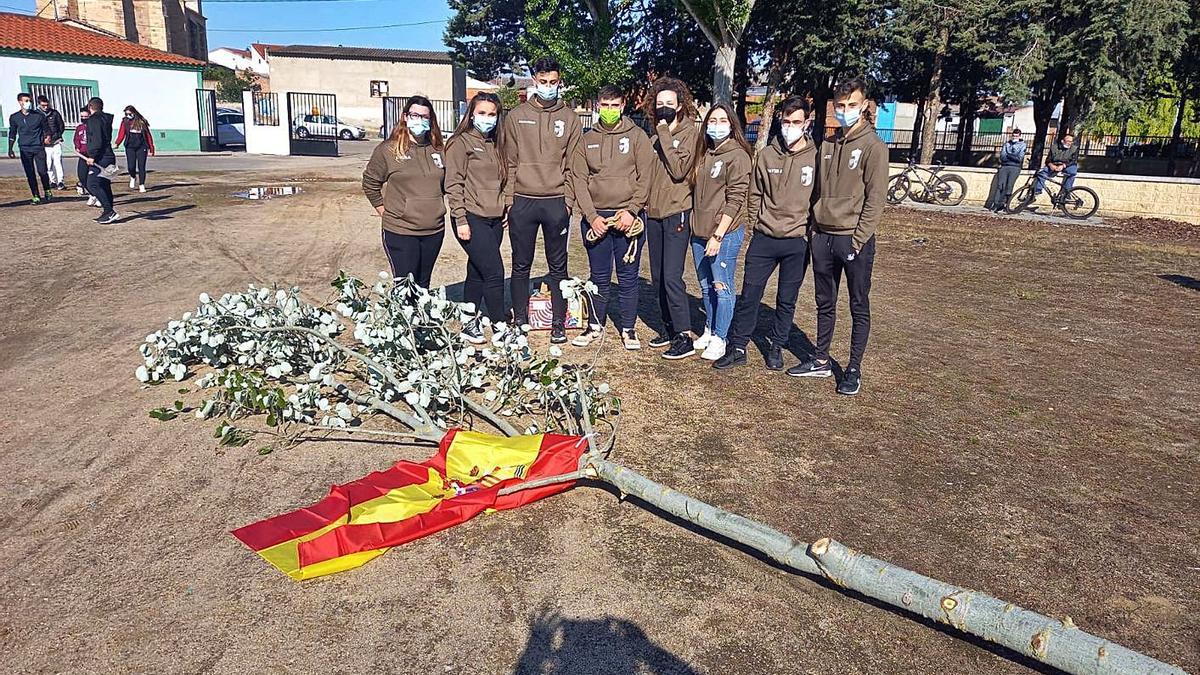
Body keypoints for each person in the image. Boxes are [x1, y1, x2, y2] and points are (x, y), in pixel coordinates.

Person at [788, 77, 887, 396]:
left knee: (858, 304)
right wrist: (815, 229)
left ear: (864, 106)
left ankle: (853, 368)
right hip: (823, 238)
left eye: (851, 105)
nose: (845, 111)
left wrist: (858, 240)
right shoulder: (827, 144)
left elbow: (875, 200)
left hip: (853, 240)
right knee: (824, 302)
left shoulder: (873, 146)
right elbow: (817, 190)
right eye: (840, 106)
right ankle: (820, 358)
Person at [714, 96, 818, 372]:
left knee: (786, 298)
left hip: (797, 241)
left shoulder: (815, 157)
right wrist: (757, 224)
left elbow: (818, 198)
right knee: (749, 294)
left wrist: (807, 233)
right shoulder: (767, 154)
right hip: (764, 237)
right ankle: (738, 346)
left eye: (797, 122)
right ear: (779, 120)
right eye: (786, 121)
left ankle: (776, 346)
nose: (790, 127)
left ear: (807, 122)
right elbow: (754, 194)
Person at [501, 57, 582, 344]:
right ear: (534, 80)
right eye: (543, 82)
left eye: (553, 82)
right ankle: (520, 321)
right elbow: (509, 162)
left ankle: (558, 323)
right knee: (520, 265)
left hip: (556, 203)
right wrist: (510, 201)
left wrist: (568, 202)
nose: (548, 87)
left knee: (558, 267)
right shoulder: (516, 116)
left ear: (559, 82)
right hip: (523, 201)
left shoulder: (570, 118)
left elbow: (574, 165)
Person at [570, 85, 654, 350]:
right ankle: (594, 325)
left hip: (628, 219)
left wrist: (632, 211)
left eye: (614, 105)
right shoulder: (586, 139)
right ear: (598, 106)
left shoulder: (638, 136)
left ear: (623, 105)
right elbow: (579, 180)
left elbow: (646, 177)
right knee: (599, 276)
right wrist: (591, 216)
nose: (609, 110)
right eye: (604, 105)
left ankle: (628, 328)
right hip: (597, 219)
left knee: (628, 277)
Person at [689, 103, 753, 362]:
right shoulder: (705, 153)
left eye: (722, 120)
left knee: (721, 286)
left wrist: (718, 235)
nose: (716, 125)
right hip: (699, 232)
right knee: (705, 286)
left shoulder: (737, 155)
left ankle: (720, 336)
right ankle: (709, 328)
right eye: (712, 121)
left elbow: (735, 198)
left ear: (732, 124)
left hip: (722, 235)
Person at [362, 95, 446, 288]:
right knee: (405, 286)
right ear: (405, 117)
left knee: (423, 284)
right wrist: (384, 210)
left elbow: (444, 185)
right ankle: (403, 318)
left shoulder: (439, 150)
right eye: (415, 115)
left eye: (425, 117)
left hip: (434, 231)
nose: (420, 120)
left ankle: (420, 319)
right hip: (401, 230)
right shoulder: (388, 150)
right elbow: (370, 182)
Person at [643, 76, 700, 360]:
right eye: (660, 103)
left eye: (670, 103)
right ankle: (667, 327)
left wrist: (665, 131)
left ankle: (683, 334)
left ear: (680, 106)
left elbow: (678, 170)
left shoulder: (689, 132)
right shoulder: (655, 134)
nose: (664, 107)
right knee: (657, 276)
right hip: (653, 212)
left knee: (672, 276)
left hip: (676, 210)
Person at [444, 92, 509, 343]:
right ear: (471, 114)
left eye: (492, 114)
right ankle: (500, 326)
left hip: (495, 219)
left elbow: (505, 179)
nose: (487, 118)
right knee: (494, 272)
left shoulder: (498, 143)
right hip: (471, 217)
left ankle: (469, 322)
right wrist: (460, 219)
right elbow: (454, 183)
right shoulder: (460, 143)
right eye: (482, 113)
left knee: (477, 270)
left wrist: (505, 208)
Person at [7, 92, 52, 204]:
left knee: (42, 171)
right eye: (26, 101)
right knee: (30, 173)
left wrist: (48, 137)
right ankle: (35, 195)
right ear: (20, 102)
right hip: (25, 148)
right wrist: (10, 149)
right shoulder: (14, 117)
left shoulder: (39, 116)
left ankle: (47, 190)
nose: (28, 103)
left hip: (38, 147)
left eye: (30, 101)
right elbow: (12, 133)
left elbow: (47, 129)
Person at [82, 96, 119, 223]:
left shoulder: (94, 120)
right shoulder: (105, 119)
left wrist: (92, 156)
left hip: (101, 157)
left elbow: (96, 140)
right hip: (108, 156)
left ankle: (109, 211)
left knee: (92, 183)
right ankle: (108, 212)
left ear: (90, 107)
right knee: (104, 184)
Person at [985, 127, 1026, 212]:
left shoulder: (1022, 145)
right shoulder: (1007, 144)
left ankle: (1006, 204)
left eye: (1016, 136)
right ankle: (996, 204)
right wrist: (1012, 156)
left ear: (1019, 136)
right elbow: (1002, 157)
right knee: (1000, 185)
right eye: (1013, 136)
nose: (1014, 138)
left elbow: (1019, 158)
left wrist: (1009, 155)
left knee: (1009, 186)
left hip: (1015, 167)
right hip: (1004, 166)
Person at [115, 105, 155, 192]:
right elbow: (121, 133)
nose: (128, 115)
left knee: (141, 167)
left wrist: (151, 148)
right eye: (126, 114)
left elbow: (148, 135)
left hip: (141, 146)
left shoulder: (141, 122)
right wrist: (117, 143)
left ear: (134, 113)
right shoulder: (125, 122)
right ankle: (133, 177)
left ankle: (142, 184)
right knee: (131, 166)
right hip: (130, 146)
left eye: (130, 114)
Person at [1033, 130, 1079, 202]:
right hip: (1054, 164)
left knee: (1072, 172)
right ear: (1062, 141)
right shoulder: (1054, 147)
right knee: (1042, 173)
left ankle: (1066, 194)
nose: (1070, 143)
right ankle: (1037, 190)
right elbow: (1048, 159)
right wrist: (1051, 165)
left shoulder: (1074, 149)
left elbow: (1074, 160)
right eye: (1068, 141)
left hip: (1067, 165)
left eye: (1071, 141)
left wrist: (1063, 166)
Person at [36, 95, 66, 190]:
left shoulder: (55, 113)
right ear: (39, 104)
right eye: (43, 105)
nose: (45, 107)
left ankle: (60, 181)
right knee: (48, 163)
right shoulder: (36, 114)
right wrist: (43, 139)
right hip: (45, 144)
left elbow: (61, 126)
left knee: (58, 163)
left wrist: (58, 136)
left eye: (47, 105)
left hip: (56, 142)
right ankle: (52, 181)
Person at [74, 106, 97, 206]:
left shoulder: (94, 127)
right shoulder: (79, 128)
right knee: (82, 176)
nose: (83, 118)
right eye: (82, 116)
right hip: (83, 156)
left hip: (92, 155)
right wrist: (77, 147)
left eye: (86, 116)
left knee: (93, 177)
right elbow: (76, 139)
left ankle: (98, 196)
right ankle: (92, 194)